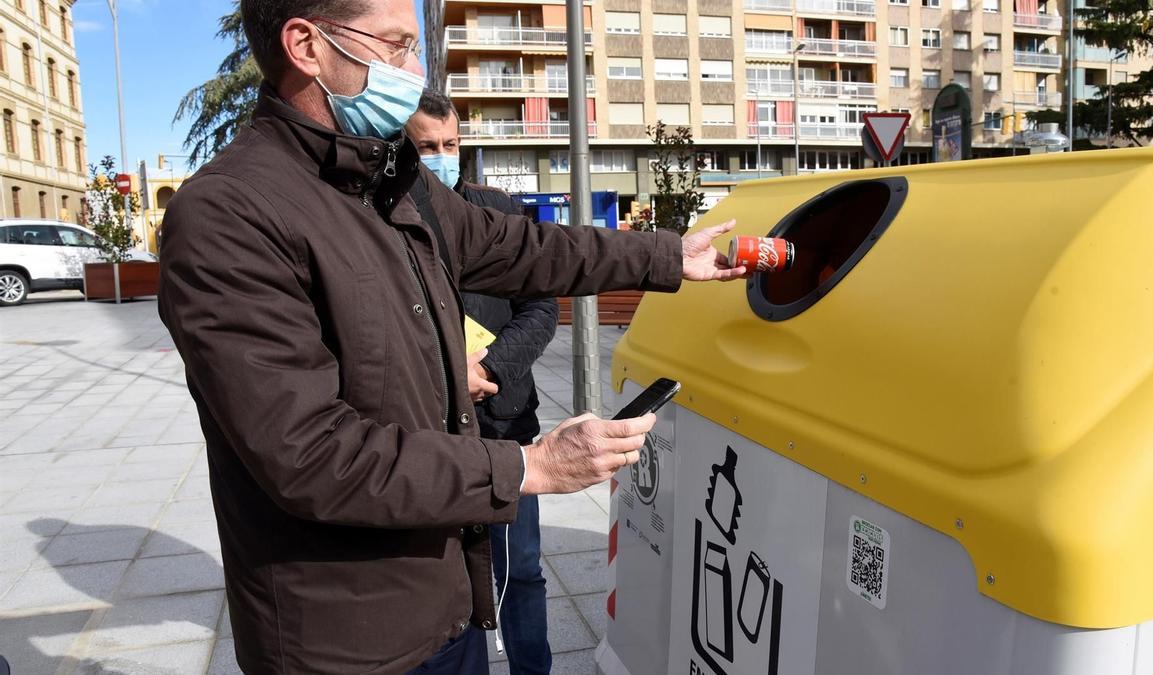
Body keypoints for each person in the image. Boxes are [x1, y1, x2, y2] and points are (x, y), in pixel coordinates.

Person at [157, 1, 746, 673]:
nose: (415, 69)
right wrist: (529, 466)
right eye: (398, 45)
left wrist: (668, 258)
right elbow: (311, 455)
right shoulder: (228, 216)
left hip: (448, 606)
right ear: (306, 45)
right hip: (346, 641)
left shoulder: (387, 181)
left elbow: (523, 247)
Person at [407, 90, 558, 674]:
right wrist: (447, 377)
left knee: (520, 569)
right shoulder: (381, 221)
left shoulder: (497, 211)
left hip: (506, 423)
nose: (442, 157)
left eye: (451, 145)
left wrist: (490, 368)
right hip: (433, 430)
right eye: (427, 147)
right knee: (444, 580)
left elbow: (540, 307)